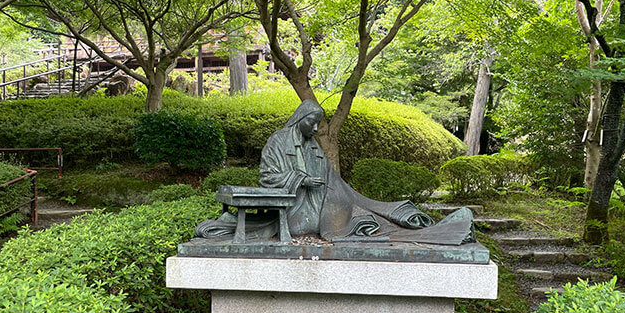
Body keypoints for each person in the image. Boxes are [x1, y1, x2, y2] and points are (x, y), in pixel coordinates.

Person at [196, 99, 475, 245]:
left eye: (318, 124)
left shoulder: (313, 145)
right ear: (300, 120)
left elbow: (333, 179)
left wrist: (342, 195)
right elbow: (267, 178)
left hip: (326, 202)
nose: (317, 129)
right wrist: (300, 179)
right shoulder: (278, 142)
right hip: (296, 210)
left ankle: (411, 221)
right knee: (361, 224)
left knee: (368, 215)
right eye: (313, 123)